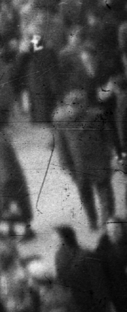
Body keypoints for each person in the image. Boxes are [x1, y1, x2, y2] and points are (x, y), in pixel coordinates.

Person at [53, 88, 117, 230]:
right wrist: (65, 164)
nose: (74, 108)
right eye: (71, 104)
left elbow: (107, 137)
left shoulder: (96, 116)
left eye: (78, 104)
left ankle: (108, 221)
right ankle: (92, 220)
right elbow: (61, 145)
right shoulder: (62, 122)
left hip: (99, 161)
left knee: (105, 192)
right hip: (78, 166)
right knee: (85, 195)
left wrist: (109, 154)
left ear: (85, 105)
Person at [0, 109, 34, 238]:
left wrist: (5, 181)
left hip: (6, 179)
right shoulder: (0, 137)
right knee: (13, 204)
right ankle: (14, 229)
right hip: (6, 177)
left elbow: (4, 163)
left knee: (10, 204)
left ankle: (24, 230)